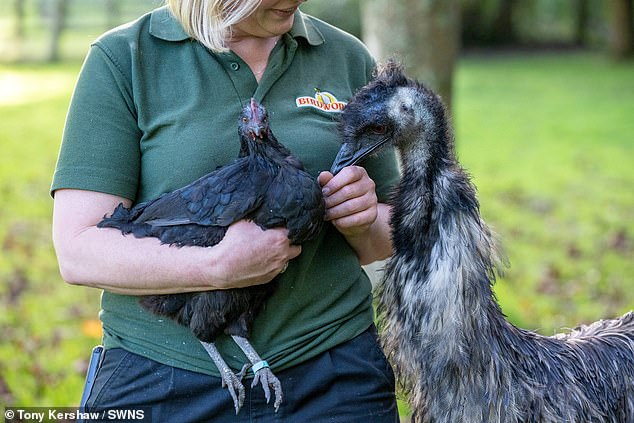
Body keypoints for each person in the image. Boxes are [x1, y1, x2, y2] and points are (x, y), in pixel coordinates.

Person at [51, 0, 401, 421]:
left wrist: (362, 221)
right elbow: (78, 249)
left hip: (334, 375)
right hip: (164, 378)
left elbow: (392, 234)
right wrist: (215, 266)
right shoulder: (126, 58)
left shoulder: (345, 56)